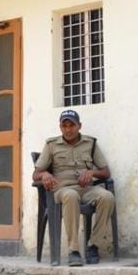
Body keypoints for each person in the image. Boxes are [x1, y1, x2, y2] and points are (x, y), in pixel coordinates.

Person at [33, 110, 114, 266]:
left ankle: (93, 246)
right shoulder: (51, 145)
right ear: (60, 127)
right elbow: (35, 174)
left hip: (86, 189)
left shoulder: (90, 144)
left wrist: (92, 172)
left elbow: (106, 172)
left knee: (107, 197)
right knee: (70, 195)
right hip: (62, 190)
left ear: (79, 126)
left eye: (72, 125)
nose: (68, 129)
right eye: (64, 126)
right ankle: (74, 250)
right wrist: (44, 175)